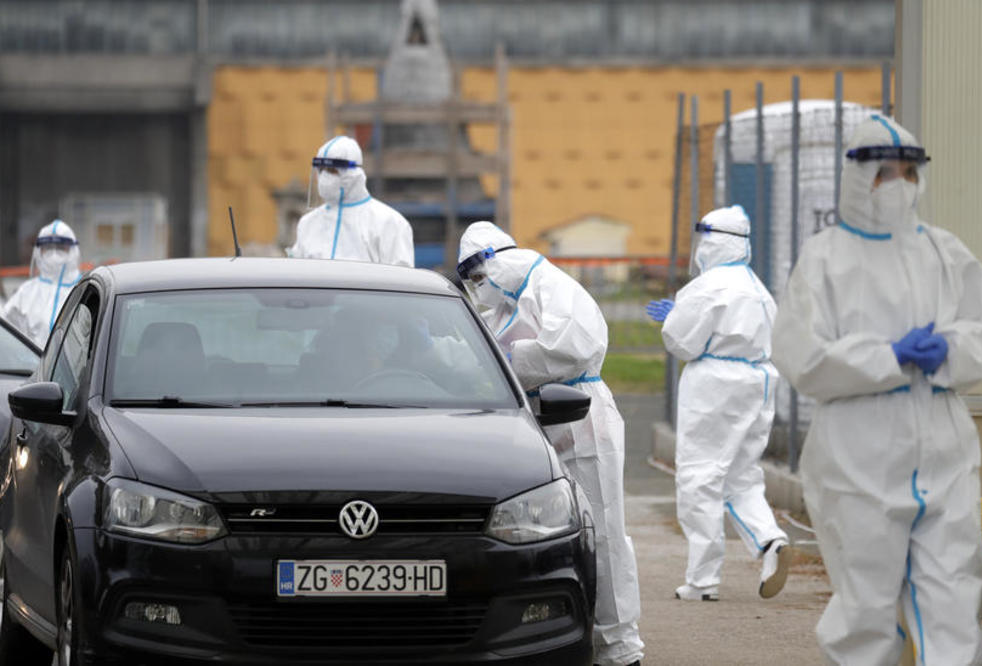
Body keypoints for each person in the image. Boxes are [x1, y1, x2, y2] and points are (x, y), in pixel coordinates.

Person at [771, 114, 982, 664]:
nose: (897, 184)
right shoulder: (826, 256)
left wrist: (952, 350)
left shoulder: (943, 250)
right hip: (858, 452)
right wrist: (886, 357)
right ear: (856, 176)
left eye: (907, 172)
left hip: (941, 440)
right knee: (866, 609)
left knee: (955, 594)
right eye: (883, 173)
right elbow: (801, 355)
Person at [457, 221, 644, 666]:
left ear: (498, 261)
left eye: (479, 278)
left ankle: (620, 648)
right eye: (471, 283)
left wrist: (503, 362)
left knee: (603, 532)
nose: (477, 289)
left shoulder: (552, 287)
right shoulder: (505, 302)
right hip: (533, 425)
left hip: (580, 420)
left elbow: (571, 348)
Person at [647, 205, 789, 603]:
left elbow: (682, 342)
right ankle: (770, 541)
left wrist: (674, 317)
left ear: (711, 241)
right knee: (741, 476)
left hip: (715, 387)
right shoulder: (758, 289)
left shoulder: (707, 287)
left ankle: (702, 579)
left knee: (700, 477)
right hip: (759, 381)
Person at [288, 136, 414, 267]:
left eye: (332, 170)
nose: (325, 176)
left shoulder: (389, 223)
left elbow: (400, 280)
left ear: (354, 173)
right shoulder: (308, 224)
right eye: (321, 169)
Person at [2, 220, 82, 348]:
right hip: (30, 367)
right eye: (48, 248)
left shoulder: (84, 289)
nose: (54, 254)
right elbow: (6, 333)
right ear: (39, 251)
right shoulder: (26, 292)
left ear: (73, 250)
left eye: (61, 247)